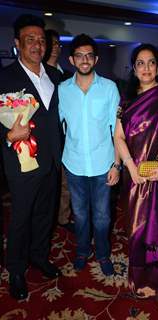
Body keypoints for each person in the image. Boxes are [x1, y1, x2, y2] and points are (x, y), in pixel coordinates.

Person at [114, 44, 158, 301]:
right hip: (135, 176)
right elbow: (119, 136)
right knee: (136, 229)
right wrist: (131, 169)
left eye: (151, 62)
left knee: (156, 230)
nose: (146, 68)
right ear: (134, 68)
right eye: (140, 63)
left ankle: (155, 283)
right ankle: (137, 279)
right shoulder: (127, 100)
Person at [0, 14, 62, 300]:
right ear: (17, 44)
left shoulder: (57, 76)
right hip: (22, 163)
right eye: (30, 40)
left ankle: (38, 257)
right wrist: (8, 136)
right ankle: (15, 269)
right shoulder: (4, 78)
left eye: (41, 40)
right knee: (21, 218)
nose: (37, 45)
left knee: (45, 215)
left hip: (52, 161)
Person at [58, 34, 120, 276]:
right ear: (72, 60)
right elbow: (57, 126)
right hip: (73, 164)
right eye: (80, 56)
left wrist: (117, 165)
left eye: (89, 55)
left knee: (103, 217)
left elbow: (118, 131)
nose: (85, 60)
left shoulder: (109, 88)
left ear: (96, 59)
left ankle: (103, 254)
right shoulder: (63, 90)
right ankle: (82, 250)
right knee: (81, 215)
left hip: (103, 164)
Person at [43, 29, 73, 231]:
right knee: (46, 183)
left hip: (67, 137)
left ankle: (63, 217)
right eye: (51, 43)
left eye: (58, 44)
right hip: (45, 139)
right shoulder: (39, 74)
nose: (55, 47)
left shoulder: (68, 76)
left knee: (65, 182)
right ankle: (47, 218)